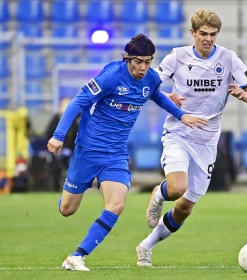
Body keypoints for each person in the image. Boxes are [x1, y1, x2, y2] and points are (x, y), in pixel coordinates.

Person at [47, 34, 208, 271]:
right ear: (127, 58)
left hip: (116, 155)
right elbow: (78, 102)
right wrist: (59, 135)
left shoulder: (151, 79)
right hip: (88, 152)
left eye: (148, 62)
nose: (143, 67)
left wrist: (181, 114)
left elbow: (155, 96)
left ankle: (76, 257)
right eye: (138, 62)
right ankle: (70, 190)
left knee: (116, 205)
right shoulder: (111, 76)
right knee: (67, 210)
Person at [136, 9, 247, 266]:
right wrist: (164, 95)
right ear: (193, 33)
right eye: (203, 34)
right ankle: (158, 196)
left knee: (185, 208)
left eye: (213, 34)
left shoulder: (229, 58)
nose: (208, 39)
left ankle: (146, 246)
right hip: (179, 131)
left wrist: (242, 94)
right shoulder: (177, 56)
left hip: (207, 141)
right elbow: (148, 84)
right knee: (177, 188)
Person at [45, 98, 79, 191]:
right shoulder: (56, 118)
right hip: (57, 150)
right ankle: (55, 187)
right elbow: (48, 133)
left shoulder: (76, 120)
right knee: (54, 165)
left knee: (72, 166)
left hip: (72, 150)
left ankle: (71, 187)